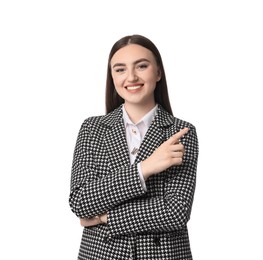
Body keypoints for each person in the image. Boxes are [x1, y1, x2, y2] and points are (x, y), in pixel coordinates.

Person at [69, 34, 199, 260]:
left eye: (141, 66)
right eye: (120, 69)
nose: (131, 77)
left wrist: (103, 218)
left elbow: (175, 212)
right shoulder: (93, 129)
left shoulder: (181, 132)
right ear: (112, 76)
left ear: (158, 72)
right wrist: (145, 168)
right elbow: (81, 202)